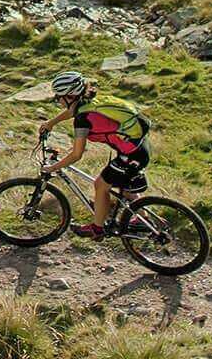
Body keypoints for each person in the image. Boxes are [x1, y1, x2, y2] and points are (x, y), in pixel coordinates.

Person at [37, 70, 147, 239]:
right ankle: (141, 219)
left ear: (71, 95)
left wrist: (52, 168)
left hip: (131, 154)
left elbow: (76, 155)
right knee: (123, 186)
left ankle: (97, 228)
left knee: (101, 185)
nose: (57, 100)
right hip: (137, 147)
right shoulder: (88, 101)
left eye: (60, 96)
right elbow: (73, 111)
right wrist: (51, 123)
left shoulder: (83, 119)